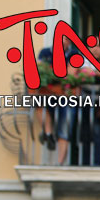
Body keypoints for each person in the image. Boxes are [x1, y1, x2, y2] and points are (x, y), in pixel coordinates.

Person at [37, 36, 79, 165]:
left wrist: (51, 74)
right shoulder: (45, 52)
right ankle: (48, 134)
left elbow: (71, 74)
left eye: (65, 39)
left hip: (66, 96)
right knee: (37, 103)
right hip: (48, 92)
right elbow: (39, 70)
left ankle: (60, 164)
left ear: (69, 42)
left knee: (64, 130)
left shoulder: (74, 54)